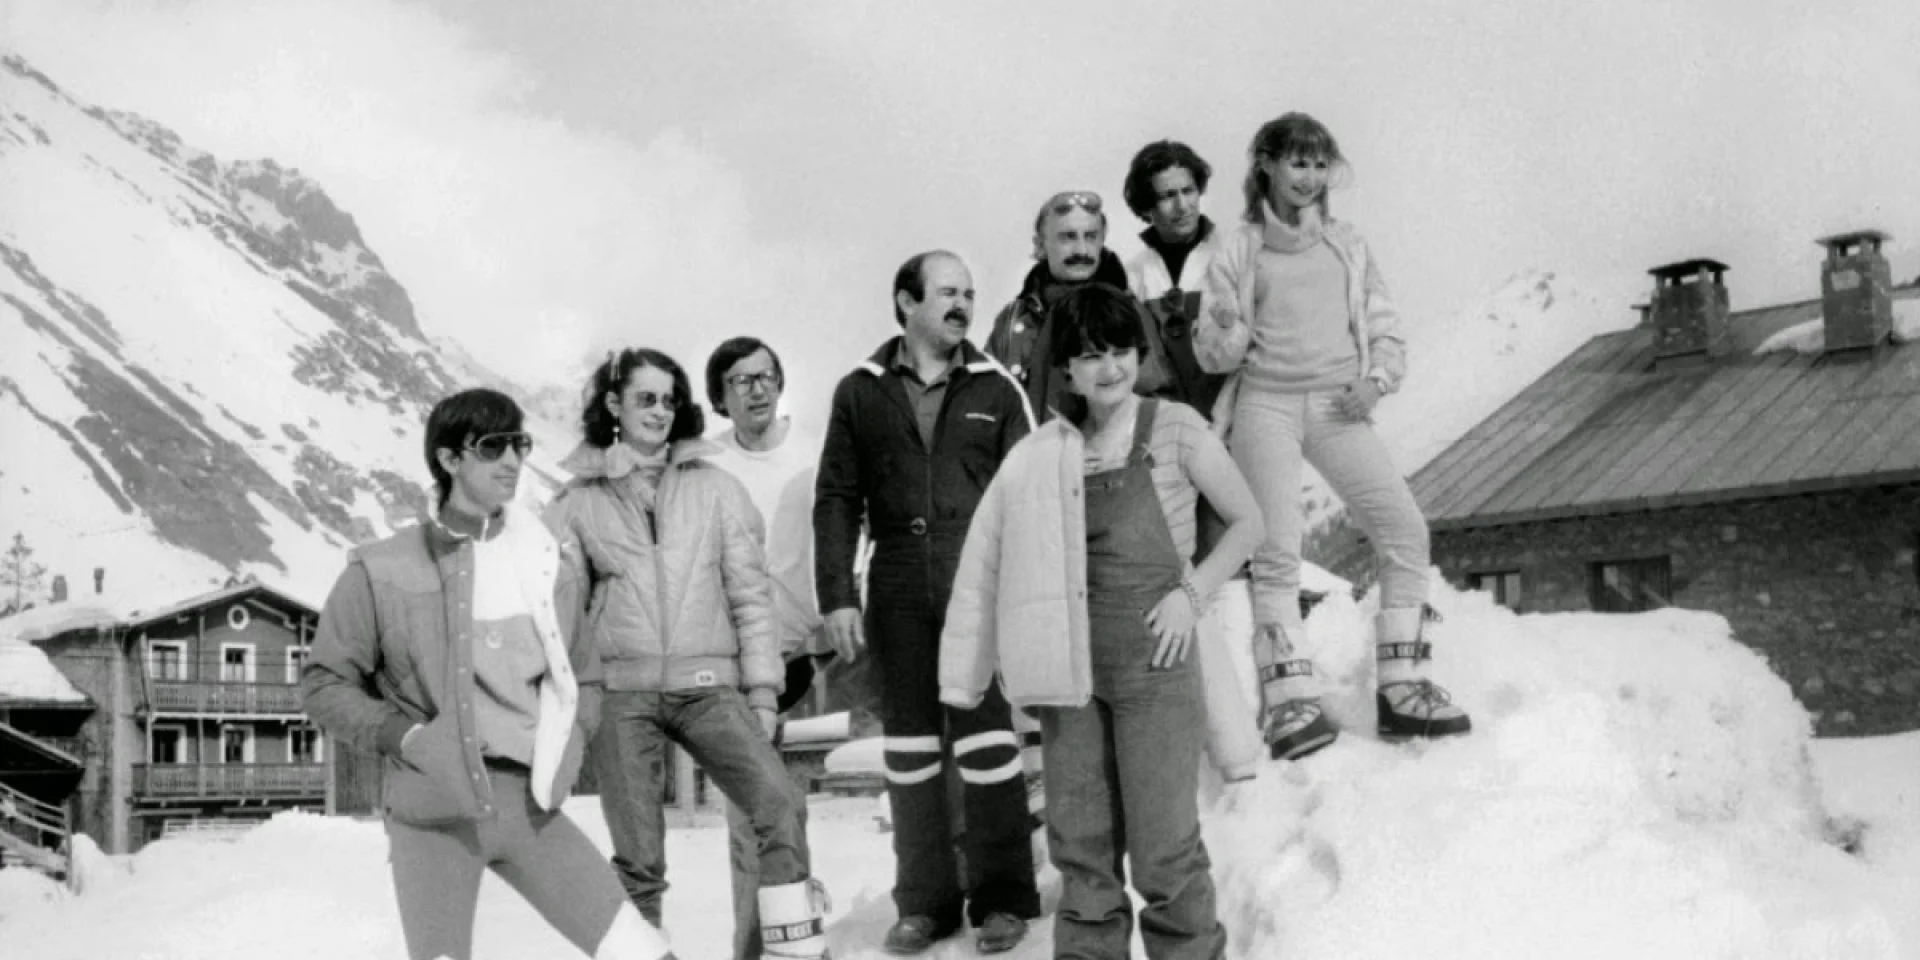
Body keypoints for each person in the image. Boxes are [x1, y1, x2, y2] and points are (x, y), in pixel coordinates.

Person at [941, 283, 1264, 959]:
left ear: (1139, 352)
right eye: (1090, 356)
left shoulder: (1175, 427)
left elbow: (1247, 523)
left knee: (1163, 849)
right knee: (1081, 850)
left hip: (1157, 661)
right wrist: (965, 674)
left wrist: (1192, 593)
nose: (1109, 367)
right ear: (1066, 368)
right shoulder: (1044, 452)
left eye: (1120, 350)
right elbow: (986, 561)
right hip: (1072, 675)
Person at [301, 387, 675, 960]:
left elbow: (584, 676)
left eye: (519, 445)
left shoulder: (549, 564)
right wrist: (404, 737)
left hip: (530, 807)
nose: (511, 461)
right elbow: (324, 683)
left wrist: (571, 740)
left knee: (643, 952)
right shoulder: (382, 568)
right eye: (492, 446)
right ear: (449, 459)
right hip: (433, 817)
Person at [1196, 112, 1472, 761]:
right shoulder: (1238, 247)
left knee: (1404, 530)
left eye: (1320, 164)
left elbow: (1385, 323)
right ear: (1265, 163)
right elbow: (1216, 354)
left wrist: (1376, 381)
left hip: (1339, 406)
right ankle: (1291, 701)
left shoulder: (1347, 242)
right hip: (1264, 403)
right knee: (1275, 551)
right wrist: (1226, 324)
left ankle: (1402, 688)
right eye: (1297, 162)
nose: (1309, 176)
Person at [548, 349, 829, 959]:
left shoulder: (718, 489)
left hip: (710, 688)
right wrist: (574, 702)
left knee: (777, 804)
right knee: (640, 859)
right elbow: (559, 617)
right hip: (622, 695)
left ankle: (792, 952)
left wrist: (761, 692)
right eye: (645, 398)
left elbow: (751, 598)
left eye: (670, 399)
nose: (660, 411)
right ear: (613, 405)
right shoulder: (575, 502)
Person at [814, 250, 1040, 954]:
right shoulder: (861, 389)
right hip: (898, 584)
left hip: (979, 580)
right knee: (910, 749)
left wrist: (1025, 598)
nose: (963, 304)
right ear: (906, 302)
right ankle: (926, 901)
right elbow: (836, 498)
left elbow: (1028, 498)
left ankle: (1003, 898)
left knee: (988, 744)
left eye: (970, 293)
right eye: (947, 292)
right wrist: (838, 595)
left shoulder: (997, 388)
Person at [703, 336, 827, 960]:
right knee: (752, 814)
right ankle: (758, 946)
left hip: (808, 656)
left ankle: (795, 927)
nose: (755, 389)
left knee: (785, 812)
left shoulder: (814, 453)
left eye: (765, 376)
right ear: (720, 397)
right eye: (739, 380)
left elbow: (843, 540)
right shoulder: (703, 463)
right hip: (733, 660)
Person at [985, 190, 1174, 421]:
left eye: (1091, 236)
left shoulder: (1128, 312)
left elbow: (1157, 404)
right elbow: (988, 405)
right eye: (1068, 237)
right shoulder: (1014, 319)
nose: (1082, 250)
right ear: (1040, 245)